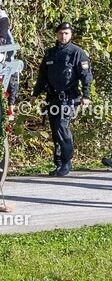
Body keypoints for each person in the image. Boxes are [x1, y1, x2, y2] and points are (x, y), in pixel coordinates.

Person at [33, 22, 93, 177]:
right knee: (55, 131)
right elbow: (42, 77)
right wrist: (35, 94)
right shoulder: (50, 53)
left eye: (66, 33)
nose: (63, 36)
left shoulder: (77, 53)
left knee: (61, 127)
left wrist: (86, 96)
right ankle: (58, 164)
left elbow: (86, 76)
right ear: (56, 34)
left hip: (69, 98)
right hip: (53, 98)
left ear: (71, 34)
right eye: (60, 33)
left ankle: (67, 161)